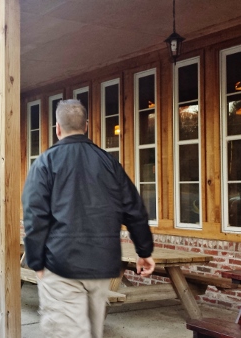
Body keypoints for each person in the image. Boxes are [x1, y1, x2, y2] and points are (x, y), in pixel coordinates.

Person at [22, 99, 155, 338]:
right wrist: (144, 251)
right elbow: (134, 208)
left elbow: (35, 216)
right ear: (86, 126)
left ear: (58, 128)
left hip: (60, 265)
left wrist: (35, 262)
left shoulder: (44, 163)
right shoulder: (109, 163)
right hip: (102, 266)